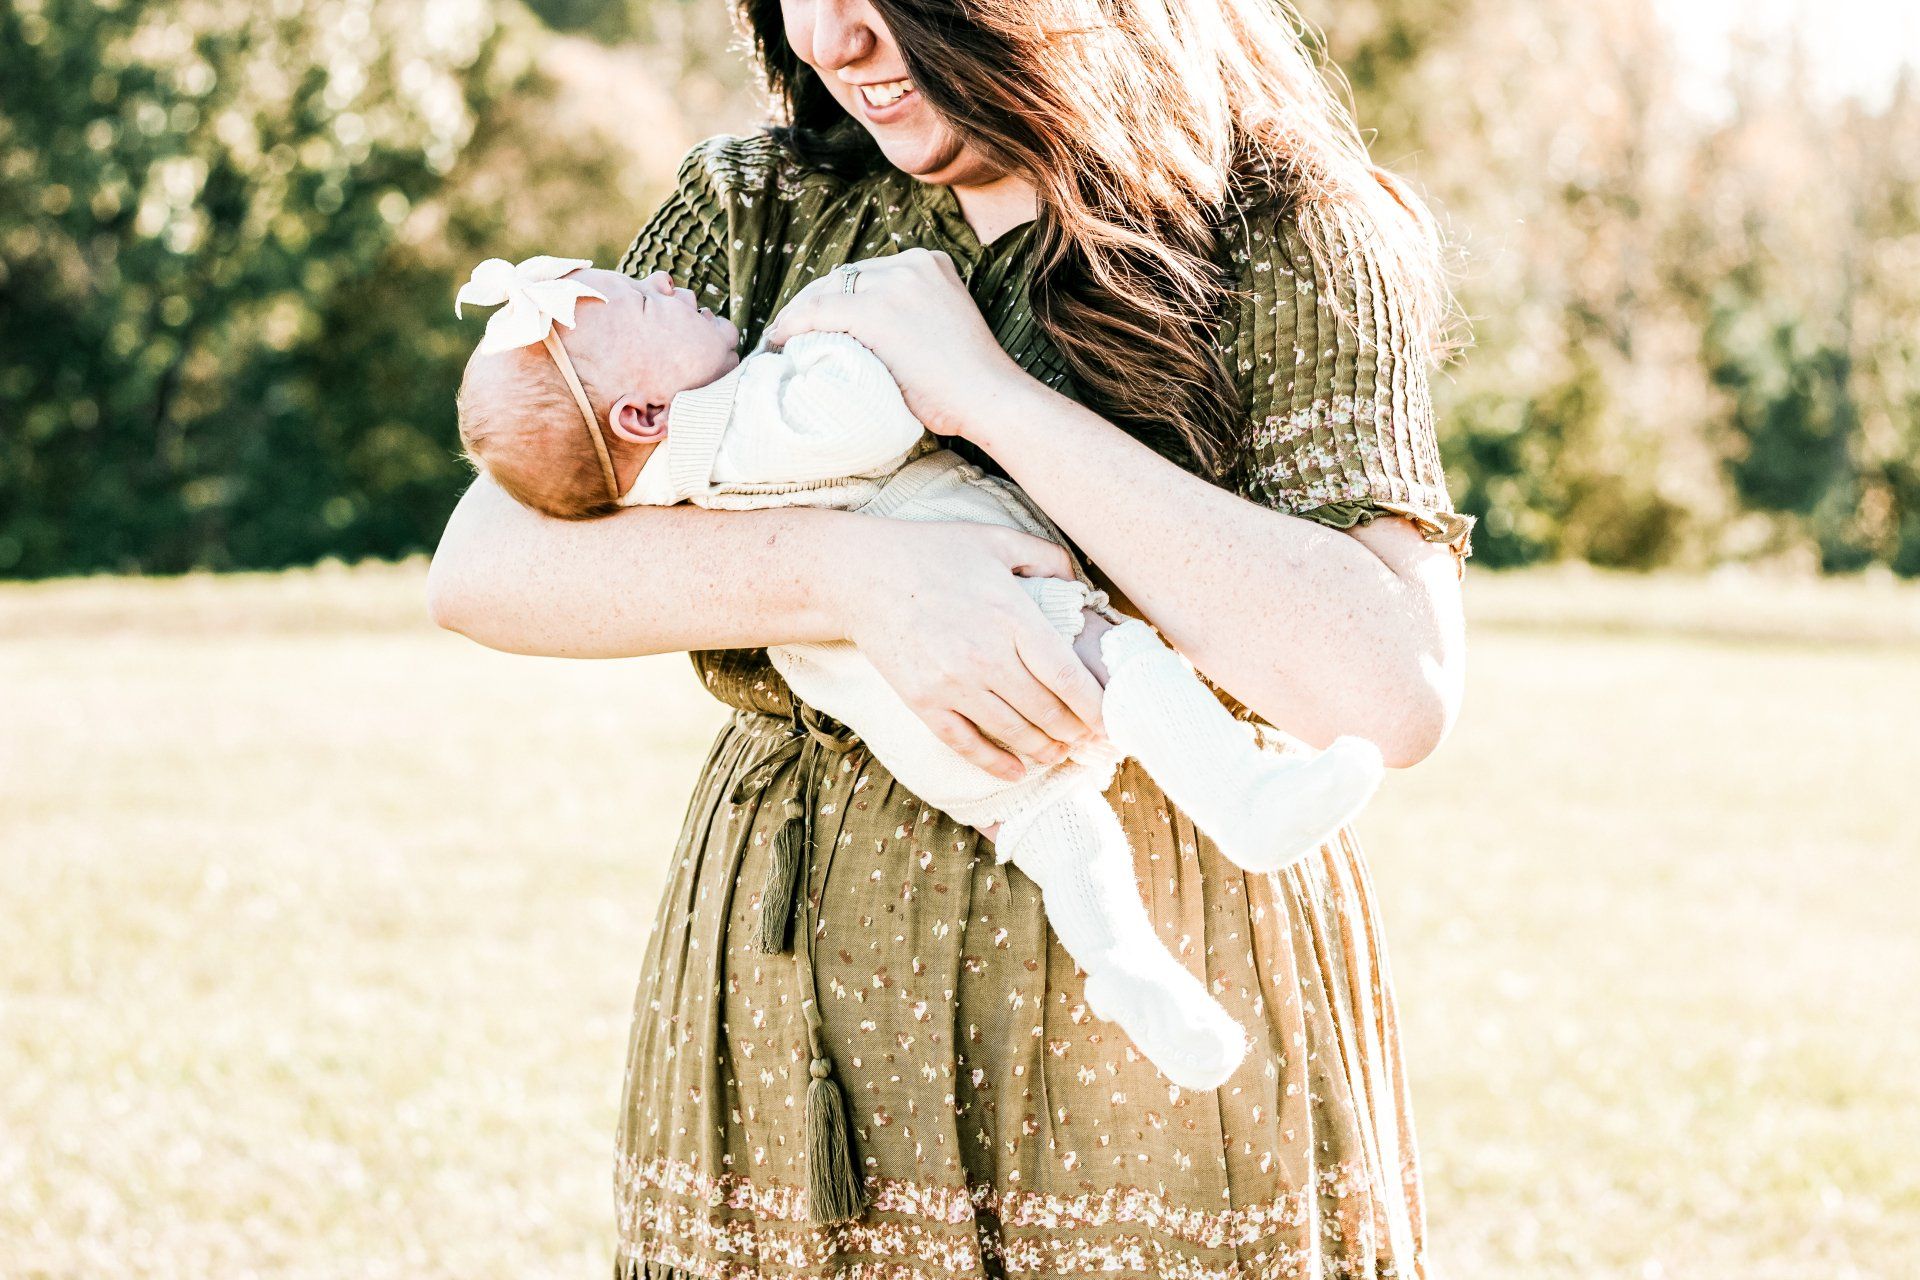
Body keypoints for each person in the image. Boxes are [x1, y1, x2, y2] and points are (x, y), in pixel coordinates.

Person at [426, 0, 1474, 1270]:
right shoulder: (759, 205)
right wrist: (857, 574)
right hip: (798, 974)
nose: (826, 38)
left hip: (1166, 1030)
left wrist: (982, 392)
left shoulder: (1293, 225)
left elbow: (1389, 688)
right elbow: (488, 561)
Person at [449, 252, 1392, 1093]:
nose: (661, 280)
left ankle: (1131, 971)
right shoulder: (740, 425)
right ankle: (1243, 798)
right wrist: (833, 318)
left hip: (934, 739)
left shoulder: (658, 485)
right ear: (644, 412)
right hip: (1014, 637)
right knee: (1128, 662)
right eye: (643, 302)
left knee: (1061, 834)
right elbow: (864, 411)